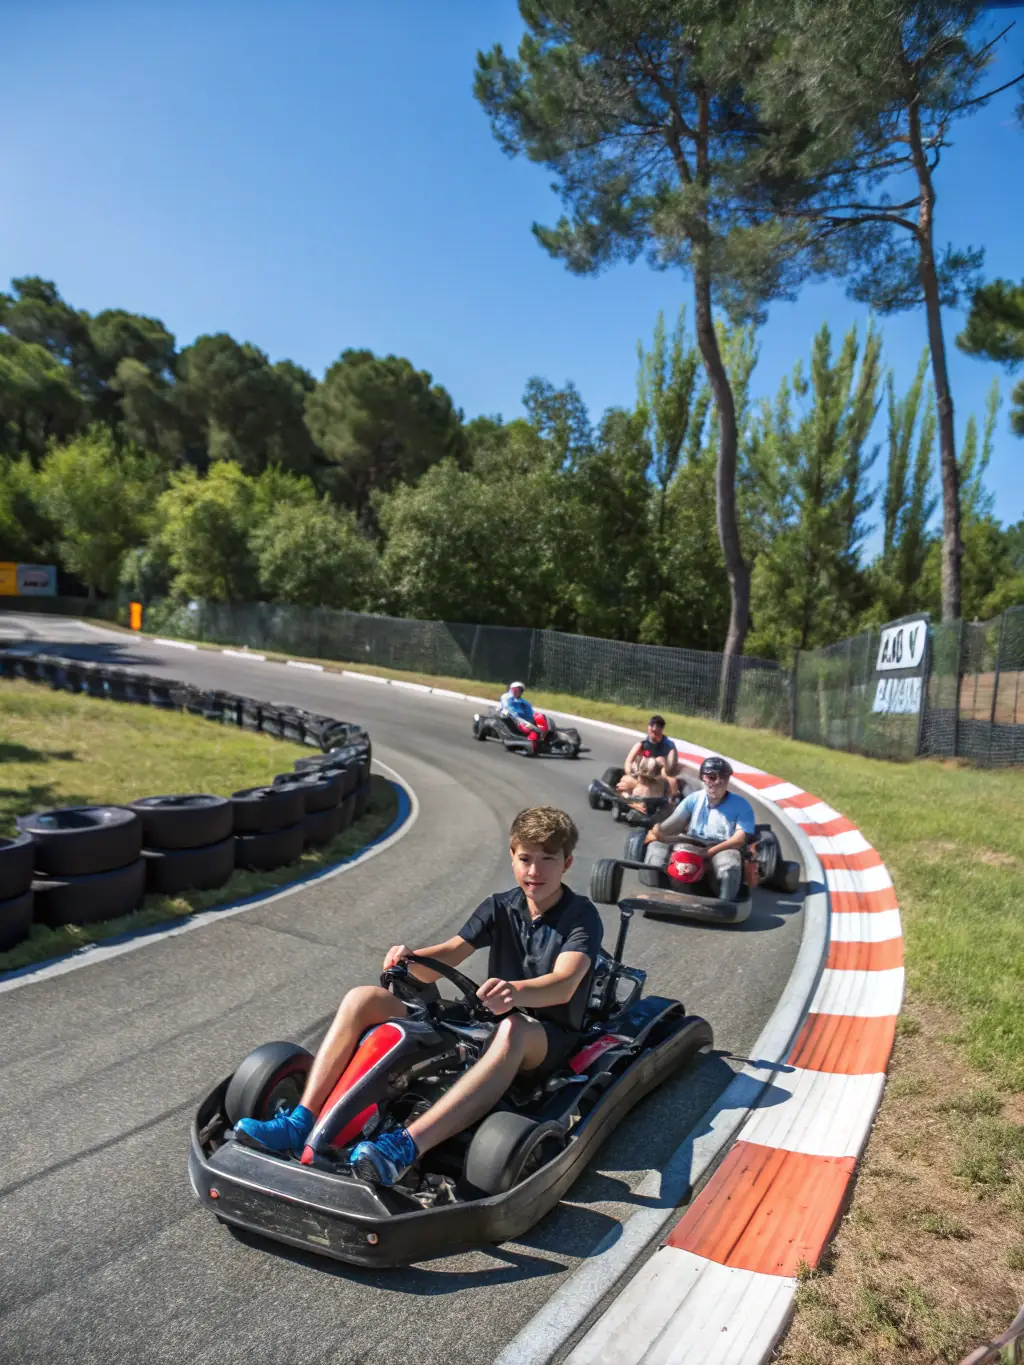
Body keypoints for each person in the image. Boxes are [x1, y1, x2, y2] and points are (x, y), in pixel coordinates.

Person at [233, 807, 603, 1187]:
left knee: (513, 1029)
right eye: (525, 859)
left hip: (545, 1034)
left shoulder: (580, 916)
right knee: (364, 998)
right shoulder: (500, 906)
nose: (534, 872)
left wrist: (515, 991)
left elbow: (564, 982)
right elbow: (453, 950)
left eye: (547, 860)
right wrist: (409, 961)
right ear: (512, 855)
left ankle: (404, 1148)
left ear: (566, 863)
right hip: (488, 1016)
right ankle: (301, 1121)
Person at [643, 755, 754, 902]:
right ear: (703, 778)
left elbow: (739, 839)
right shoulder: (694, 799)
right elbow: (673, 824)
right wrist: (657, 832)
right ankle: (653, 892)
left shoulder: (742, 806)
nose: (717, 782)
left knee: (729, 866)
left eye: (723, 778)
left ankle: (724, 903)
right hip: (690, 841)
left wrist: (709, 852)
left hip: (722, 846)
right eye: (712, 777)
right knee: (655, 849)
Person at [619, 715, 681, 796]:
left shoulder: (669, 747)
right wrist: (629, 771)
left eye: (656, 731)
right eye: (652, 730)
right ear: (649, 728)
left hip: (658, 775)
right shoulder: (641, 745)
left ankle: (671, 796)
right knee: (626, 780)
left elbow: (670, 770)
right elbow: (628, 761)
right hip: (641, 773)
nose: (654, 732)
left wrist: (664, 770)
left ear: (661, 730)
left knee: (670, 780)